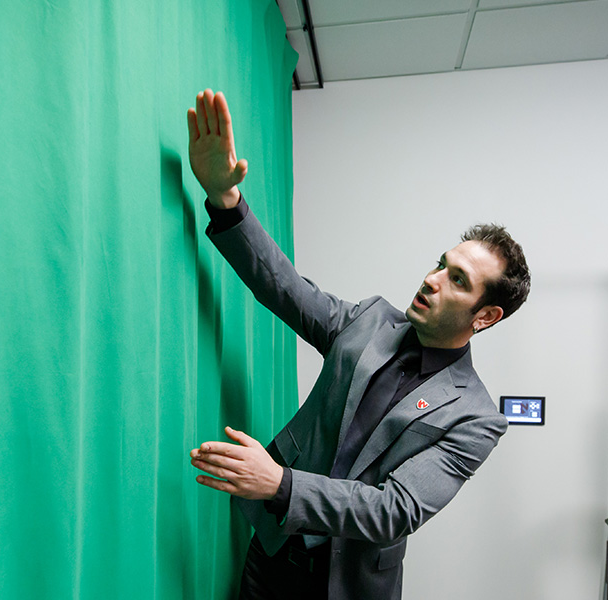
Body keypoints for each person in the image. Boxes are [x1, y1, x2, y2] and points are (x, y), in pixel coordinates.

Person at [186, 89, 531, 600]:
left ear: (486, 316)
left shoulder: (477, 418)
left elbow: (395, 509)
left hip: (347, 586)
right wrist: (225, 200)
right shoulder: (370, 321)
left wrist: (280, 484)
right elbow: (285, 288)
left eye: (458, 280)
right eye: (441, 262)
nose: (433, 278)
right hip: (274, 548)